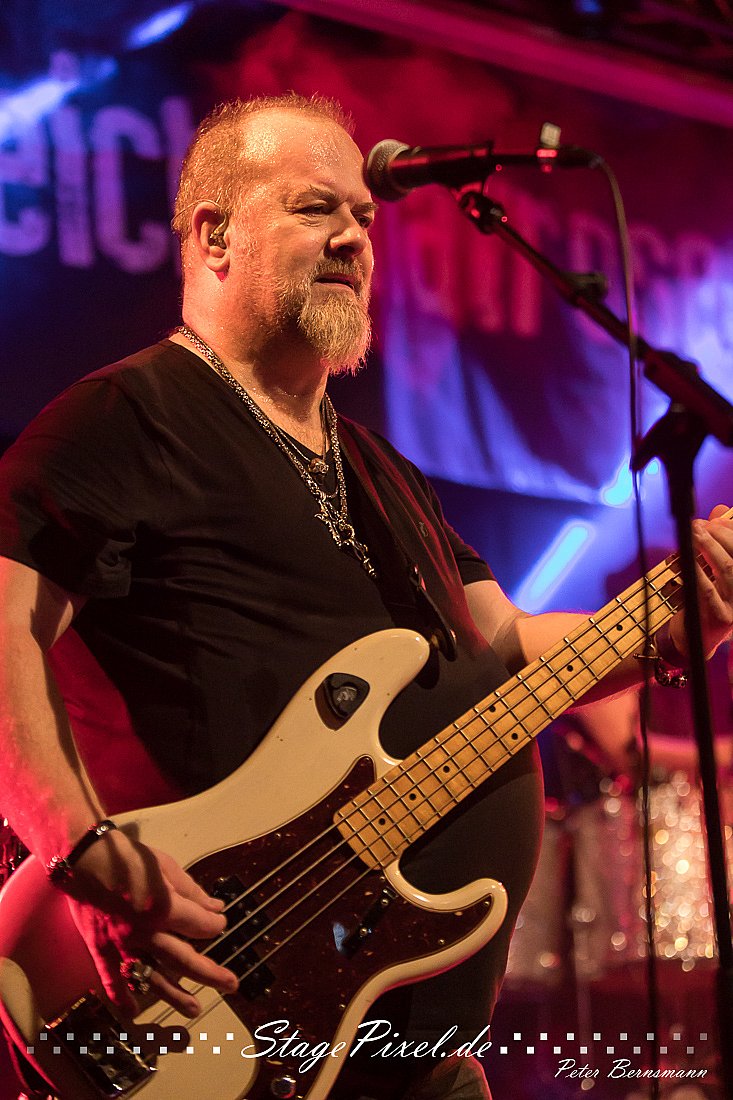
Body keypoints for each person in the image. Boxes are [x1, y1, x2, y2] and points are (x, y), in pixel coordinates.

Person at [0, 94, 731, 1100]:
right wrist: (82, 848)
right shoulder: (124, 417)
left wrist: (673, 622)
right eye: (314, 208)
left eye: (363, 215)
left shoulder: (383, 472)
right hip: (203, 1000)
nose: (353, 236)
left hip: (413, 1044)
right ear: (213, 235)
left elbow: (504, 643)